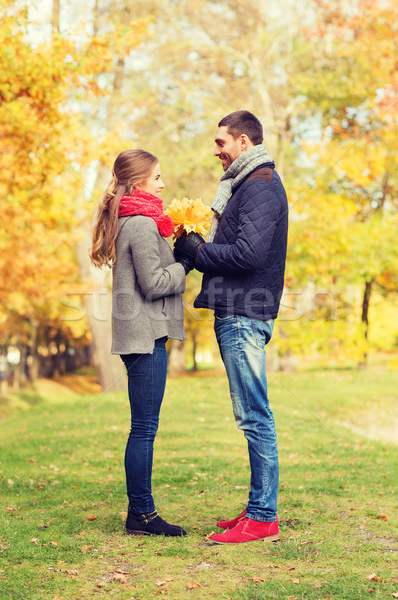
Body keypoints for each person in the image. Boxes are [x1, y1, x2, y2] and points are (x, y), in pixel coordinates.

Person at [174, 110, 288, 544]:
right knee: (251, 413)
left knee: (254, 415)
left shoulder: (259, 187)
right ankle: (258, 505)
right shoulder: (247, 185)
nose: (216, 150)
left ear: (244, 142)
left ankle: (262, 517)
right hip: (238, 312)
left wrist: (198, 252)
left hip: (244, 315)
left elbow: (247, 255)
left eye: (222, 142)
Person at [90, 149, 193, 537]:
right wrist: (184, 262)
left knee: (143, 426)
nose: (163, 184)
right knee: (145, 428)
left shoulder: (133, 221)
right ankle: (143, 516)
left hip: (140, 335)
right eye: (156, 178)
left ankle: (141, 513)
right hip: (146, 336)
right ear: (138, 184)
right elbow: (154, 284)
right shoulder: (141, 225)